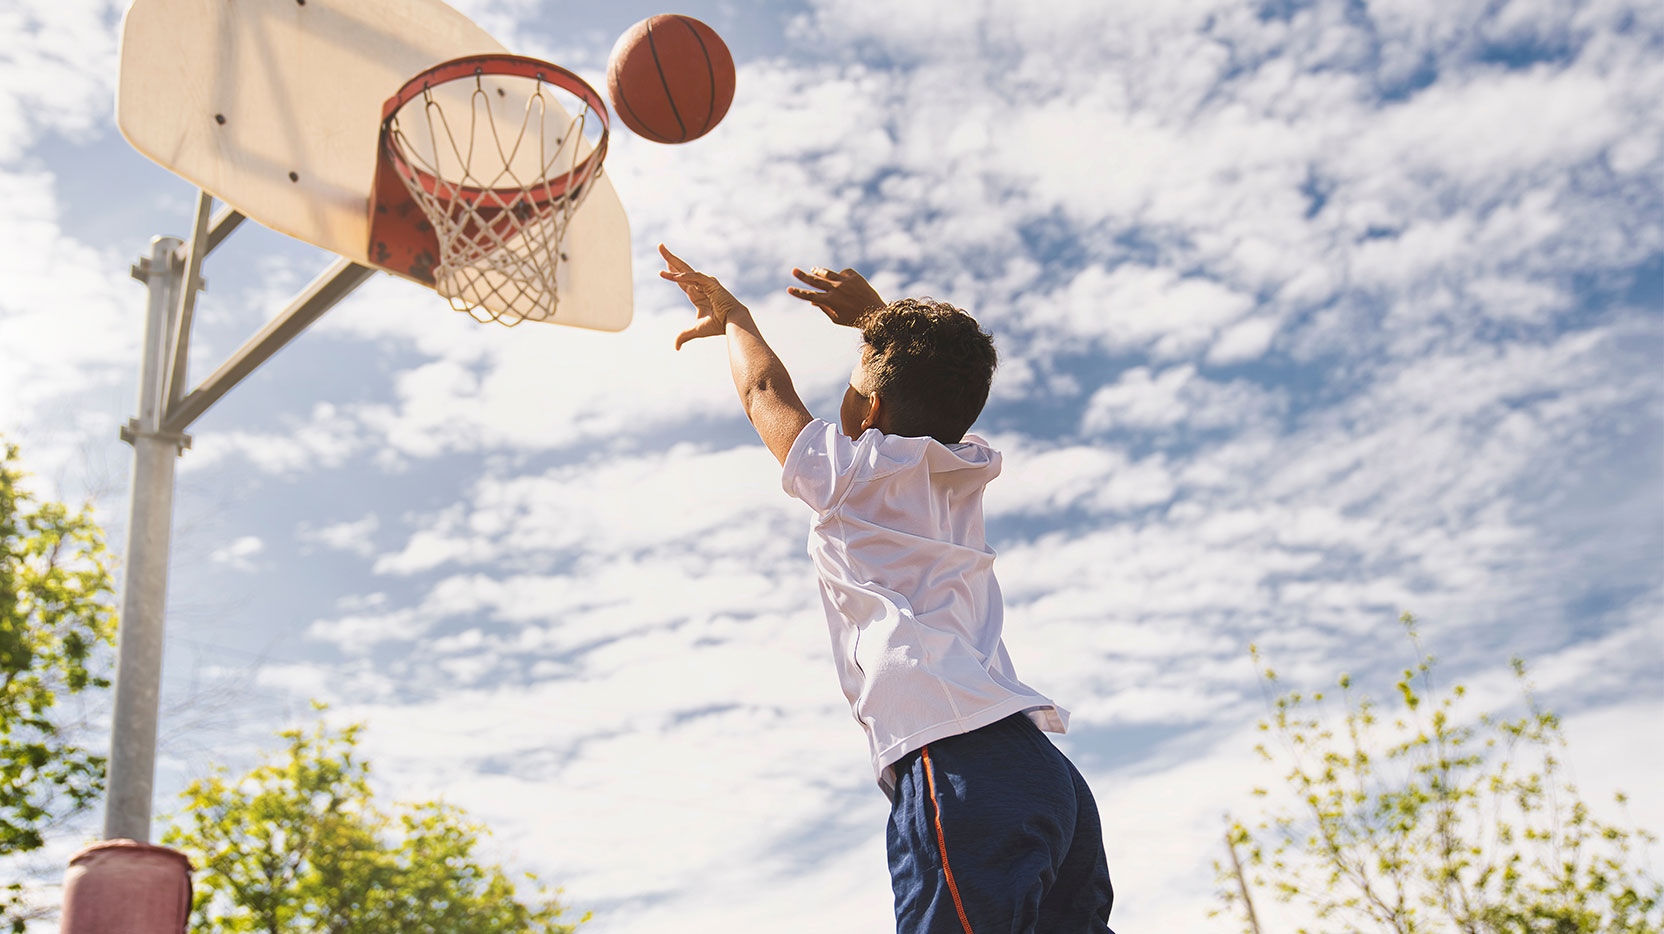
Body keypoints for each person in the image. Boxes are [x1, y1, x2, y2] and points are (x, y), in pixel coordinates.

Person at [661, 244, 1115, 933]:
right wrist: (878, 323)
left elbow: (763, 393)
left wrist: (735, 317)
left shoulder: (847, 477)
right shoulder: (966, 465)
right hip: (1047, 777)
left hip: (960, 766)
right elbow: (936, 381)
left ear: (869, 406)